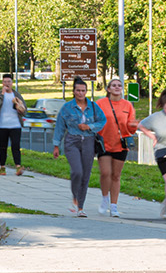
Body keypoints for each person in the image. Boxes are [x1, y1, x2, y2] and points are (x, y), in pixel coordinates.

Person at [52, 76, 106, 216]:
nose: (80, 93)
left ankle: (80, 207)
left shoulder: (93, 107)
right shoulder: (67, 108)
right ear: (74, 91)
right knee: (77, 171)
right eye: (78, 90)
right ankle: (75, 197)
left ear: (86, 91)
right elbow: (59, 126)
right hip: (72, 141)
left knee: (86, 175)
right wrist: (56, 145)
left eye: (83, 90)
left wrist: (89, 126)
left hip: (88, 141)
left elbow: (102, 121)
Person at [95, 76, 138, 216]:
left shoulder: (127, 105)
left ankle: (114, 206)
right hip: (104, 143)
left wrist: (134, 125)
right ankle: (104, 198)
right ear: (108, 89)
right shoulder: (100, 103)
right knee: (105, 173)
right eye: (113, 85)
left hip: (121, 144)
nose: (117, 87)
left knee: (116, 176)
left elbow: (130, 126)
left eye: (119, 85)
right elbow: (94, 121)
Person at [137, 90, 166, 220]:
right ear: (163, 107)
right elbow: (140, 125)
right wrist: (152, 136)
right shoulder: (155, 118)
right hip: (164, 150)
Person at [0, 73, 27, 176]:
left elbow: (24, 109)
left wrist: (19, 106)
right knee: (2, 147)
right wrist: (2, 95)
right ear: (2, 83)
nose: (7, 84)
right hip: (2, 125)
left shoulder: (16, 95)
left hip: (15, 124)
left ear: (12, 83)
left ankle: (18, 166)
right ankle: (2, 167)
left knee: (16, 146)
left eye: (9, 82)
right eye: (5, 82)